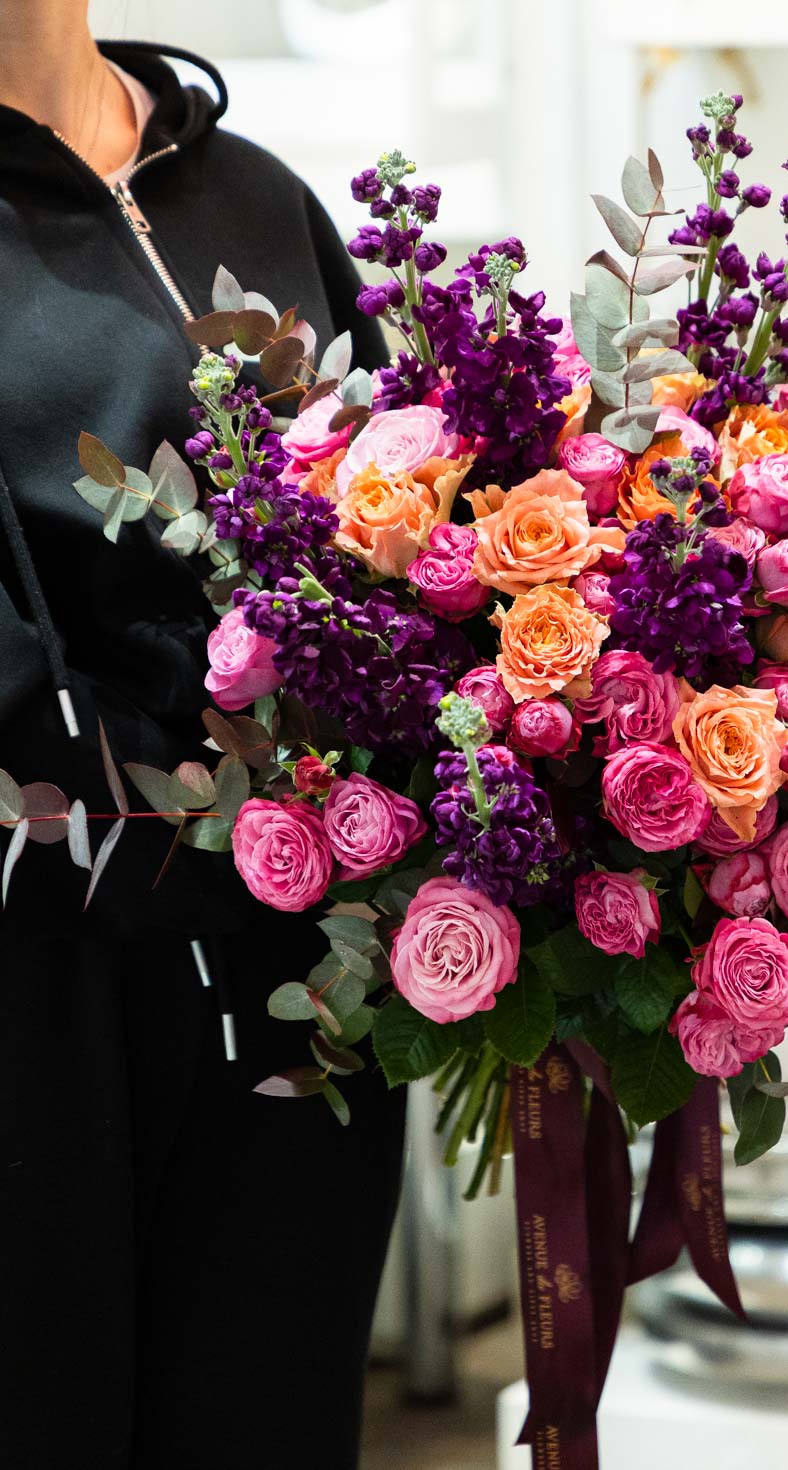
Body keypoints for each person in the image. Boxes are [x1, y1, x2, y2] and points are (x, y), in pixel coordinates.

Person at [0, 9, 406, 1467]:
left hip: (309, 960)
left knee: (275, 1410)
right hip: (39, 978)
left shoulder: (251, 191)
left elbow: (398, 529)